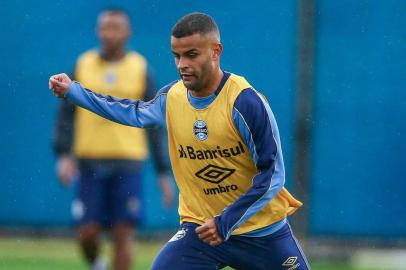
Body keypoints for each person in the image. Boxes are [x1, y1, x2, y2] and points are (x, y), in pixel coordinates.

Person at [50, 12, 310, 270]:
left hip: (261, 234)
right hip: (202, 231)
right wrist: (75, 92)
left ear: (215, 51)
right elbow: (130, 111)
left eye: (191, 55)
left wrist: (226, 221)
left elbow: (273, 176)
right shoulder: (171, 98)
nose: (182, 64)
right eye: (177, 55)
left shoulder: (244, 102)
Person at [52, 8, 174, 270]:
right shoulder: (83, 64)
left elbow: (155, 122)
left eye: (116, 27)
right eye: (105, 27)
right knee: (87, 233)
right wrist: (63, 154)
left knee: (123, 233)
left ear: (127, 32)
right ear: (98, 31)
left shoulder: (140, 68)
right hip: (90, 162)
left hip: (127, 163)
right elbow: (66, 113)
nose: (110, 33)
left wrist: (163, 172)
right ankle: (98, 264)